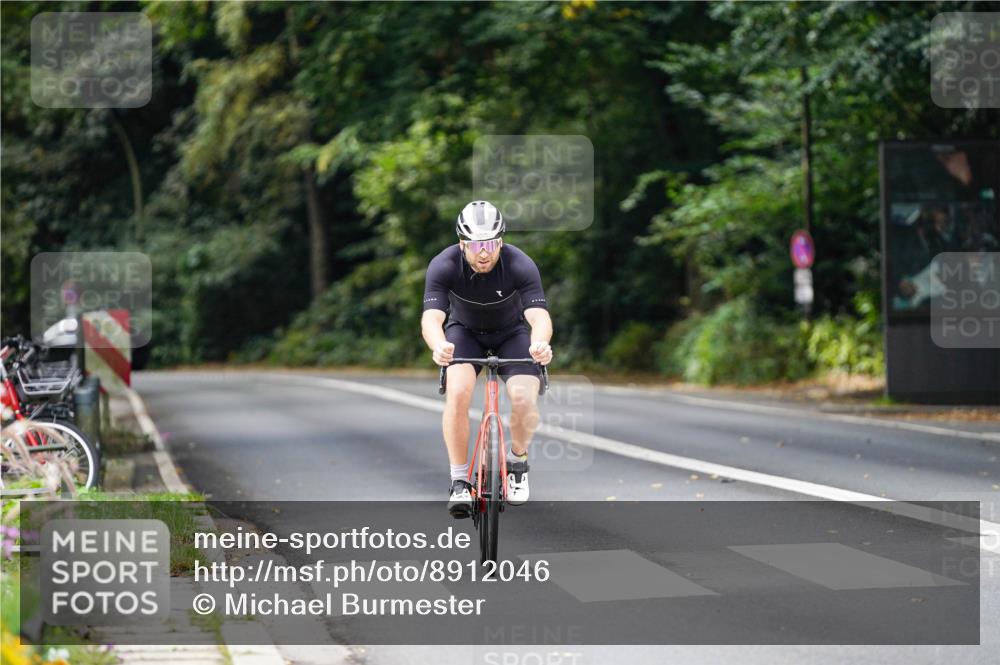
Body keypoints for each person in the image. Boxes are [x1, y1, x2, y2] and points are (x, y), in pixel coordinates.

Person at [421, 201, 553, 518]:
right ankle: (459, 480)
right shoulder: (444, 265)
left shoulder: (520, 264)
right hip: (464, 332)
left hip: (510, 333)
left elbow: (539, 316)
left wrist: (540, 342)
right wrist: (438, 345)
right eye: (478, 245)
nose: (485, 253)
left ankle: (517, 463)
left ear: (501, 242)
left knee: (523, 396)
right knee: (459, 392)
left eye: (492, 244)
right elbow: (431, 318)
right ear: (463, 244)